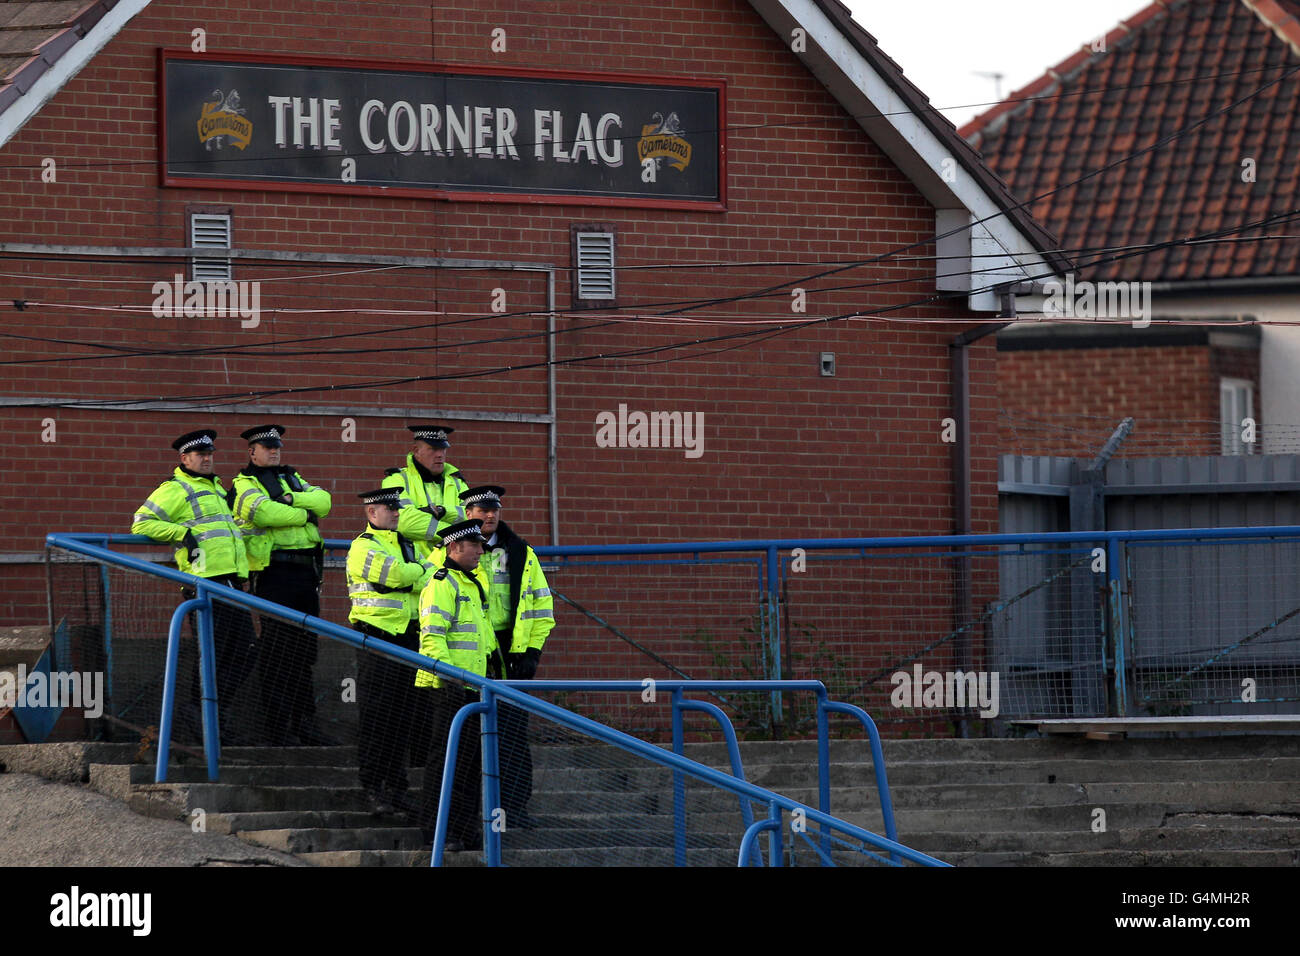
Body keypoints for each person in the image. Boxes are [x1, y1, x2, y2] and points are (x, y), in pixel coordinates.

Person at [131, 429, 257, 745]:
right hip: (204, 584)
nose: (207, 459)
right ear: (185, 458)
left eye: (210, 454)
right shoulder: (176, 488)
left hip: (230, 583)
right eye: (200, 455)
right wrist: (180, 534)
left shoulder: (216, 488)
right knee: (212, 655)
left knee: (243, 652)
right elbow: (141, 522)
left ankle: (209, 711)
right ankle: (202, 715)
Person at [230, 424, 335, 746]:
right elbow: (263, 514)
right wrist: (303, 514)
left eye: (277, 446)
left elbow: (325, 501)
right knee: (278, 653)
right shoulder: (243, 484)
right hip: (275, 575)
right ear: (252, 452)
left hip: (306, 577)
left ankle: (306, 725)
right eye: (266, 447)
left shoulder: (292, 478)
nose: (274, 451)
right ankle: (279, 729)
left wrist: (291, 498)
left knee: (304, 655)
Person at [460, 485, 553, 829]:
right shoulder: (454, 550)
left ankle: (515, 807)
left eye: (494, 509)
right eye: (482, 509)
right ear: (467, 513)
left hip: (511, 655)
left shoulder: (521, 551)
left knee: (512, 733)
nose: (489, 515)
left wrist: (531, 651)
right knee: (468, 734)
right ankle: (469, 814)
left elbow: (542, 607)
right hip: (470, 655)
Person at [347, 486, 436, 815]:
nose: (396, 512)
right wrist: (418, 573)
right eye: (389, 508)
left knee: (403, 717)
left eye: (397, 507)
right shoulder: (362, 546)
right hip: (377, 640)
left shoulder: (406, 543)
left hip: (409, 639)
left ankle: (397, 787)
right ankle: (373, 787)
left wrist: (414, 575)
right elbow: (397, 575)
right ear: (372, 513)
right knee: (377, 715)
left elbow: (426, 577)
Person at [414, 518, 502, 852]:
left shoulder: (470, 583)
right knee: (445, 762)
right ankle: (438, 832)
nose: (481, 551)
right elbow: (433, 637)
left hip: (473, 688)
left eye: (481, 545)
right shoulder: (441, 583)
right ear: (454, 547)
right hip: (449, 689)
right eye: (475, 545)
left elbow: (481, 636)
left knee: (468, 763)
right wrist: (451, 680)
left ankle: (465, 829)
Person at [382, 424, 470, 560]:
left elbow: (473, 518)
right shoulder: (396, 480)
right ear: (416, 450)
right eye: (433, 449)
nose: (440, 455)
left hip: (451, 569)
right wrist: (452, 534)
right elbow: (405, 522)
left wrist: (444, 511)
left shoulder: (458, 483)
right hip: (413, 566)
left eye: (443, 449)